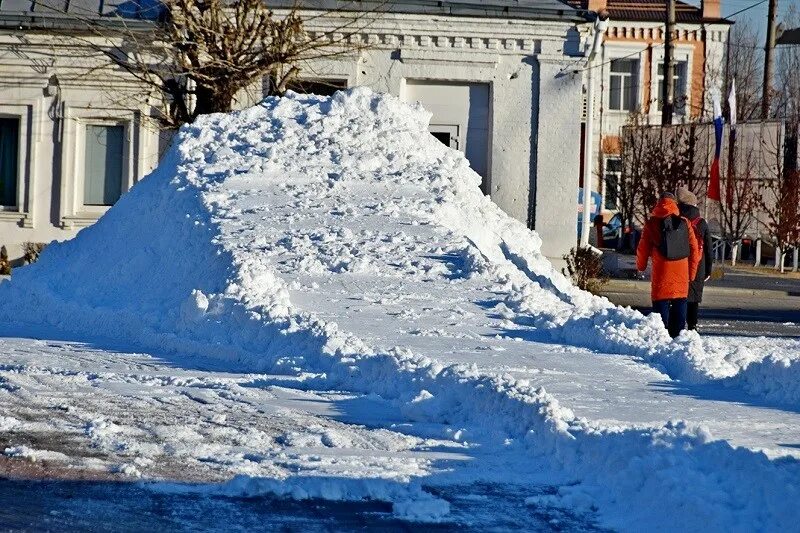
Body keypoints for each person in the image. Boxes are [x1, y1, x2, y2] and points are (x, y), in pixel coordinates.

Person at [636, 192, 701, 338]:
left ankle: (661, 340)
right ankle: (677, 340)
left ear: (659, 203)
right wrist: (691, 274)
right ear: (675, 204)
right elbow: (694, 251)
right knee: (680, 309)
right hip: (681, 275)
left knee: (660, 317)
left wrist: (640, 266)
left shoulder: (651, 223)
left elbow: (642, 248)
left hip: (661, 274)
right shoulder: (685, 223)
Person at [677, 187, 713, 330]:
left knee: (678, 296)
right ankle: (692, 325)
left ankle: (676, 324)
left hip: (679, 262)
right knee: (694, 298)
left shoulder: (675, 219)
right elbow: (709, 249)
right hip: (698, 265)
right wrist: (708, 270)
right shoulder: (701, 222)